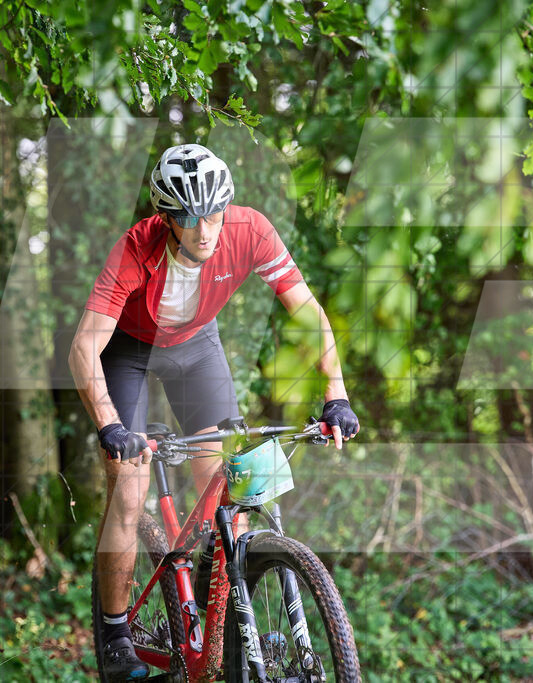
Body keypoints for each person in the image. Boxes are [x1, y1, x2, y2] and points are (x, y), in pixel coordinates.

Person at [68, 143, 359, 680]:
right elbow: (84, 346)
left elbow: (307, 309)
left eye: (214, 214)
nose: (205, 230)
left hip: (198, 345)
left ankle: (224, 608)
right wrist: (111, 425)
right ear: (167, 217)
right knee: (129, 492)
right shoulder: (135, 249)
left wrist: (336, 393)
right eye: (189, 217)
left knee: (234, 481)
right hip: (129, 349)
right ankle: (113, 633)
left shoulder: (251, 231)